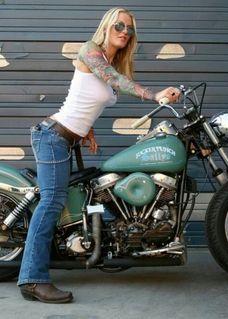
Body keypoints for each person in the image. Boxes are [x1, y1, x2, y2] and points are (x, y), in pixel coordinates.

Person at [17, 7, 180, 303]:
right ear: (106, 25)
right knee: (51, 202)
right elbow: (114, 80)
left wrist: (86, 130)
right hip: (52, 136)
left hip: (66, 139)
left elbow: (84, 98)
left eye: (129, 29)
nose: (124, 31)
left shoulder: (112, 61)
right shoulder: (91, 51)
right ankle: (32, 279)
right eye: (119, 25)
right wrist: (154, 95)